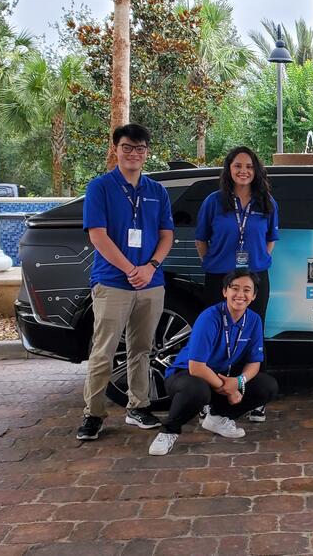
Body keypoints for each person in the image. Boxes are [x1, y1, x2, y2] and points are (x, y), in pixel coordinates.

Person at [77, 124, 175, 441]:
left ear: (147, 153)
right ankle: (93, 414)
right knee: (103, 352)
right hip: (112, 282)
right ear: (116, 149)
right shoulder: (100, 188)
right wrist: (131, 268)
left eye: (140, 148)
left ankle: (138, 407)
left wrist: (150, 267)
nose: (134, 153)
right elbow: (97, 235)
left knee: (142, 349)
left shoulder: (157, 192)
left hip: (151, 282)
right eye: (127, 147)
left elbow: (166, 235)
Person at [148, 270, 279, 456]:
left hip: (220, 377)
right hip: (187, 376)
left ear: (254, 295)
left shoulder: (253, 320)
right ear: (225, 291)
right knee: (197, 390)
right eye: (235, 288)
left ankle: (217, 417)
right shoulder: (210, 317)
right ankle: (168, 431)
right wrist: (229, 388)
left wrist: (238, 382)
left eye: (247, 290)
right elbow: (196, 367)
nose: (240, 295)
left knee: (267, 386)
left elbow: (254, 363)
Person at [195, 146, 279, 423]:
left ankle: (253, 398)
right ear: (229, 169)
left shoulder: (267, 202)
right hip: (220, 276)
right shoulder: (213, 202)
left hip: (254, 277)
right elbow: (201, 238)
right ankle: (211, 397)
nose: (244, 171)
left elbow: (271, 238)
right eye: (238, 166)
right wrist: (212, 263)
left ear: (256, 171)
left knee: (254, 331)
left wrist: (262, 260)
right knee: (215, 334)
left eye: (249, 167)